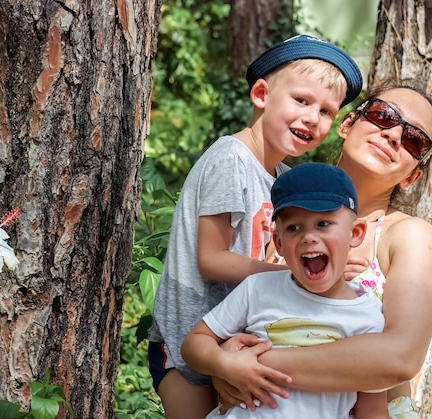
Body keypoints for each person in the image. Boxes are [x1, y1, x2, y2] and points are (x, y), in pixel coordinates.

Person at [147, 34, 363, 419]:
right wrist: (289, 274)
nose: (313, 117)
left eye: (327, 111)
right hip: (188, 341)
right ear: (262, 94)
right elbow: (212, 259)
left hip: (234, 339)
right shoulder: (232, 159)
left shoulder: (281, 179)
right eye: (301, 100)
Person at [208, 80, 432, 418]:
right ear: (348, 124)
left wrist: (247, 364)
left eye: (413, 139)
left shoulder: (408, 236)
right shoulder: (276, 206)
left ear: (412, 176)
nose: (393, 135)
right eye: (383, 116)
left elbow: (400, 357)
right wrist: (220, 361)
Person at [182, 162, 388, 419]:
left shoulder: (368, 318)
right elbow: (193, 343)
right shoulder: (258, 288)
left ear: (355, 233)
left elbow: (372, 410)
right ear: (278, 243)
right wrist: (223, 364)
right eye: (293, 228)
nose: (308, 237)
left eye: (323, 223)